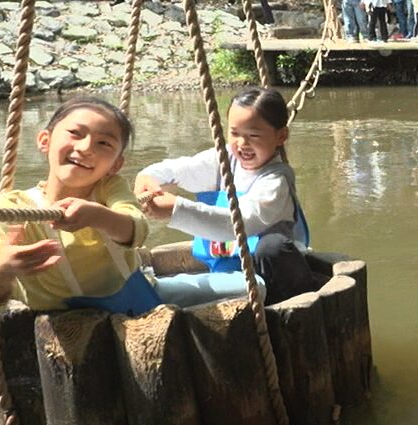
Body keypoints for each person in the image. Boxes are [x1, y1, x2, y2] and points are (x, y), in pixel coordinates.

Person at [0, 97, 155, 319]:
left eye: (104, 143)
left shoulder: (108, 188)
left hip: (137, 312)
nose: (85, 148)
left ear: (116, 165)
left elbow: (137, 228)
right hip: (64, 334)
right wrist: (4, 271)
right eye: (75, 133)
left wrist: (98, 216)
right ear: (45, 141)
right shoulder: (12, 209)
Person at [134, 87, 318, 308]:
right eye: (235, 133)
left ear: (281, 136)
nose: (242, 144)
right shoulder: (224, 160)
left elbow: (239, 225)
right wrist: (147, 177)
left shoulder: (275, 181)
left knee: (272, 247)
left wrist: (175, 210)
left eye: (254, 135)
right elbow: (178, 169)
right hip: (226, 271)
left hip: (269, 280)